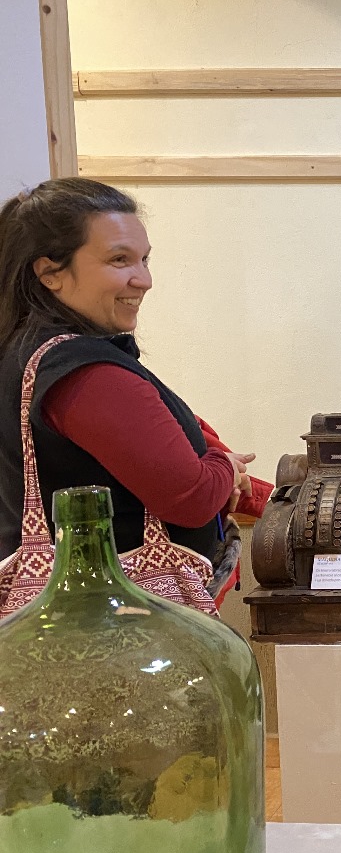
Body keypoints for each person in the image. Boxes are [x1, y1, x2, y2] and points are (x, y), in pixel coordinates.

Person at [0, 178, 269, 607]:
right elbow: (192, 497)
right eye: (118, 260)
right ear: (50, 272)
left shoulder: (24, 351)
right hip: (116, 622)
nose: (142, 280)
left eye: (144, 259)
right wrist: (224, 464)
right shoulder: (86, 374)